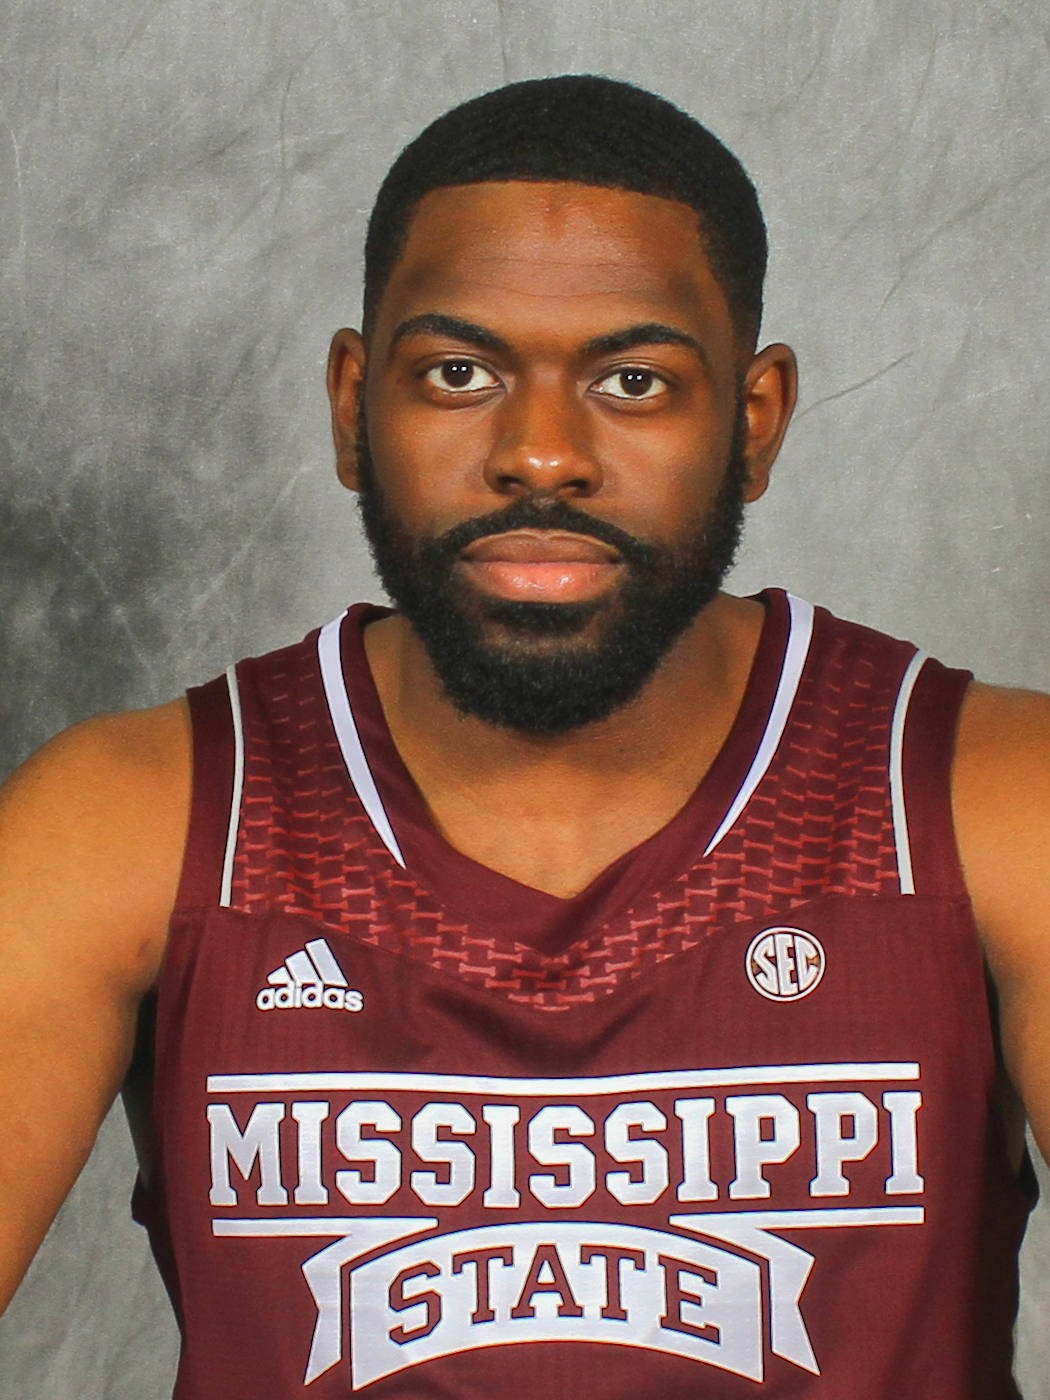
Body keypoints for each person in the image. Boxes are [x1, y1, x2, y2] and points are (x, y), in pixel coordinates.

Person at [1, 73, 1046, 1398]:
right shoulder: (131, 821)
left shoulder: (982, 801)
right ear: (350, 405)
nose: (540, 456)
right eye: (459, 373)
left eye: (632, 381)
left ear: (755, 420)